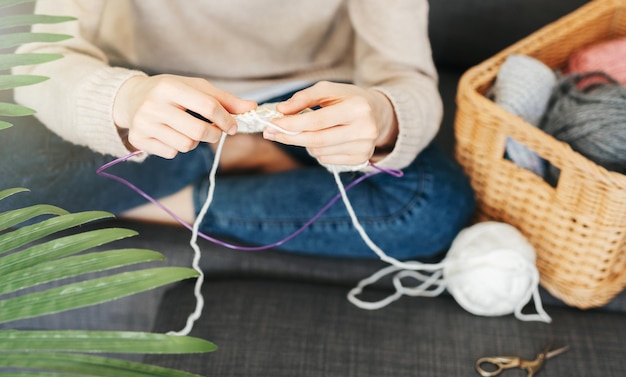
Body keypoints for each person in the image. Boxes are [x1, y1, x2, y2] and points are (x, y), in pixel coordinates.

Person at [5, 0, 475, 260]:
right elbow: (43, 57)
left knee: (433, 206)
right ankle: (229, 156)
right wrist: (125, 99)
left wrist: (381, 113)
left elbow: (406, 76)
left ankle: (143, 188)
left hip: (304, 101)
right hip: (147, 91)